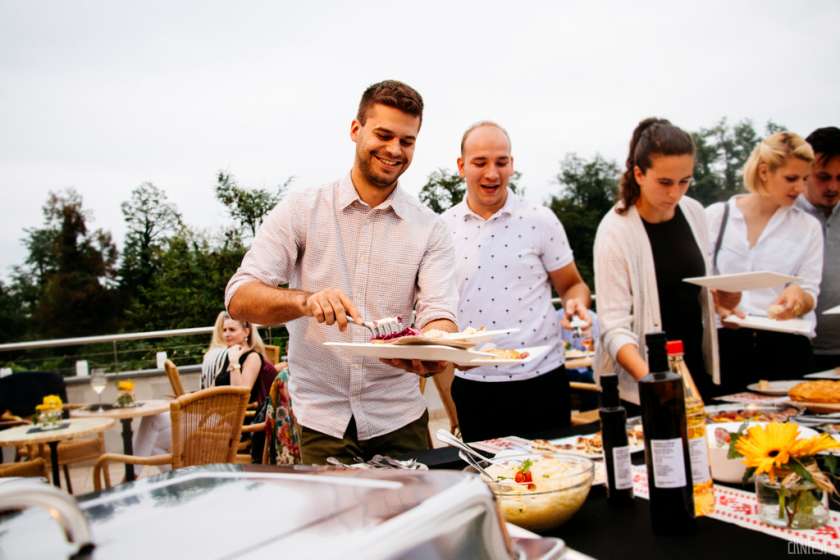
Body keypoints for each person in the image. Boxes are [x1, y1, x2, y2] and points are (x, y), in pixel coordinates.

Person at [225, 80, 459, 465]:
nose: (394, 150)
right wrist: (304, 300)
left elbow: (440, 313)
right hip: (321, 420)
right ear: (356, 130)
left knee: (412, 522)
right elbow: (239, 297)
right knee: (335, 525)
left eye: (407, 141)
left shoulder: (430, 228)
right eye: (384, 135)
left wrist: (437, 347)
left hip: (399, 416)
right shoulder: (303, 209)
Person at [440, 121, 591, 442]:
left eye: (501, 162)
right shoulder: (440, 230)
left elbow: (572, 285)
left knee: (558, 480)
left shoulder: (541, 219)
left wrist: (576, 303)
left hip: (543, 381)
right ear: (461, 166)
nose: (492, 173)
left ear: (512, 164)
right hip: (475, 386)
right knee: (491, 487)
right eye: (480, 162)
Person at [594, 118, 726, 407]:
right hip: (641, 387)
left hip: (695, 371)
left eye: (684, 181)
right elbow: (613, 327)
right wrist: (655, 385)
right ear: (639, 174)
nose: (675, 193)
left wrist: (726, 297)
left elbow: (701, 292)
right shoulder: (615, 230)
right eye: (665, 182)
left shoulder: (694, 212)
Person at [707, 132, 822, 391]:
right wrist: (718, 306)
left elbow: (811, 292)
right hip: (727, 347)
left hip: (787, 348)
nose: (800, 188)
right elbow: (698, 283)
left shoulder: (808, 227)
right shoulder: (716, 217)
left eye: (805, 179)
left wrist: (798, 297)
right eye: (791, 178)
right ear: (763, 172)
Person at [796, 127, 840, 372]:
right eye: (823, 177)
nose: (832, 187)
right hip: (800, 352)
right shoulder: (786, 215)